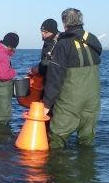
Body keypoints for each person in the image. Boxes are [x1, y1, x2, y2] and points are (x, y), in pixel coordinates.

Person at [42, 8, 102, 147]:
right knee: (87, 139)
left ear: (64, 23)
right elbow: (98, 53)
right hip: (93, 98)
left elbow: (55, 78)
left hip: (70, 100)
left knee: (57, 138)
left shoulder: (63, 44)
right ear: (80, 20)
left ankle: (56, 167)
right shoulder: (92, 38)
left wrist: (46, 104)